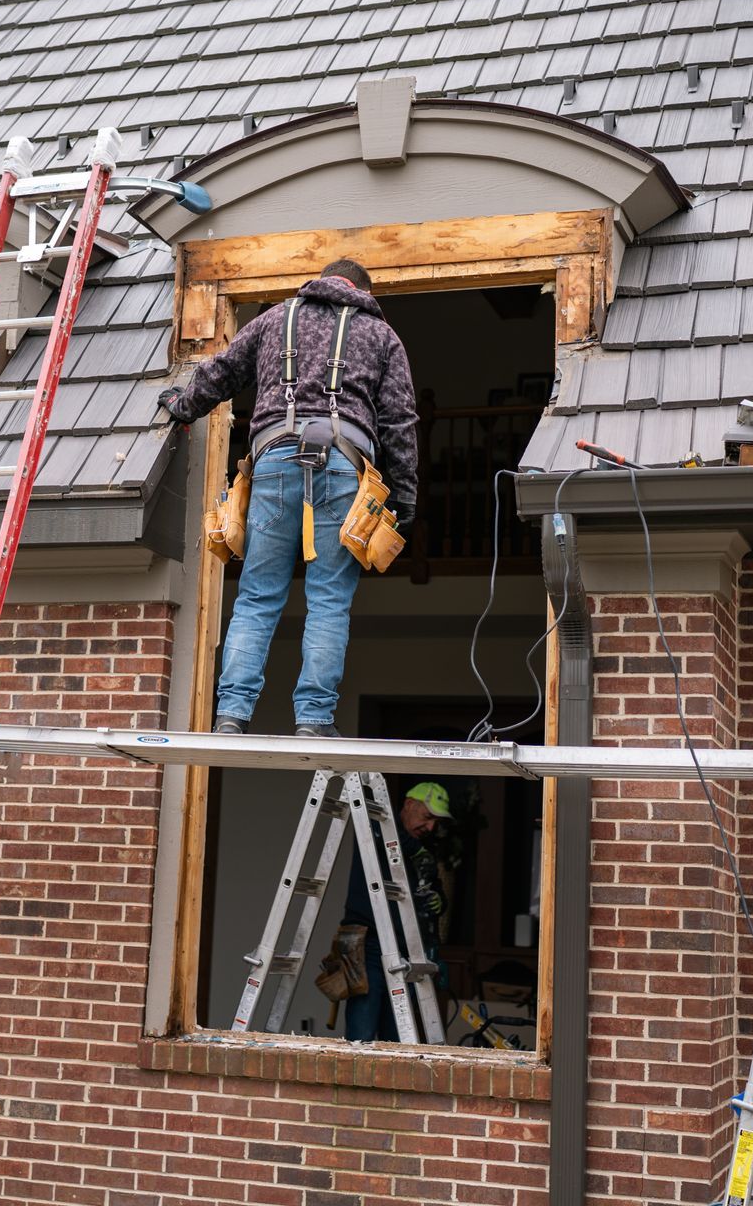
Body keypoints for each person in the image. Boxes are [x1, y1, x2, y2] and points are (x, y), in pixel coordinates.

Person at [157, 259, 416, 737]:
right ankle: (314, 720)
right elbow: (400, 422)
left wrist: (181, 405)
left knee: (256, 597)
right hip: (343, 466)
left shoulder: (276, 318)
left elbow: (221, 372)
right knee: (329, 600)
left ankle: (231, 716)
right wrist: (403, 498)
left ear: (321, 281)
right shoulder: (382, 337)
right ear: (362, 290)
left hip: (273, 461)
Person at [340, 781, 451, 1043]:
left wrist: (439, 901)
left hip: (406, 949)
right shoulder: (378, 826)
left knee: (397, 1037)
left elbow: (434, 893)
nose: (431, 827)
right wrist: (418, 852)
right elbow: (374, 828)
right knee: (362, 1033)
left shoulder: (423, 847)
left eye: (436, 821)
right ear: (409, 805)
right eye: (427, 817)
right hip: (367, 942)